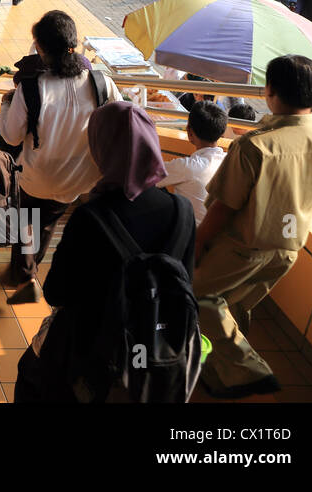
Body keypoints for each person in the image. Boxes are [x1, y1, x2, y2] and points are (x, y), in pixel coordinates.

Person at [12, 102, 196, 403]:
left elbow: (57, 292)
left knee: (30, 376)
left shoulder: (91, 217)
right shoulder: (182, 212)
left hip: (87, 353)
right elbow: (186, 284)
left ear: (102, 149)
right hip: (152, 350)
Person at [194, 55, 312, 398]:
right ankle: (223, 374)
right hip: (287, 250)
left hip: (242, 247)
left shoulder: (254, 145)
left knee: (197, 296)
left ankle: (247, 370)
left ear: (271, 90)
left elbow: (224, 208)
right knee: (235, 305)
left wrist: (198, 244)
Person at [0, 10, 123, 303]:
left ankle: (25, 274)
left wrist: (7, 104)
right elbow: (119, 120)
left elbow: (11, 136)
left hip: (36, 175)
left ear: (41, 49)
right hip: (79, 179)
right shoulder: (101, 83)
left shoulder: (31, 87)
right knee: (46, 222)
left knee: (24, 219)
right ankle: (26, 271)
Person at [159, 100, 228, 227]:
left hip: (193, 238)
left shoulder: (187, 167)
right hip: (222, 236)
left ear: (189, 132)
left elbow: (146, 176)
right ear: (222, 132)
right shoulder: (229, 161)